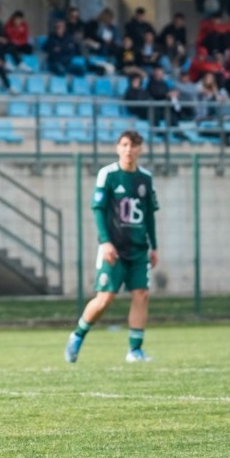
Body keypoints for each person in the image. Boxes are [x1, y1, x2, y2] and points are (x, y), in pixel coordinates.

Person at [65, 129, 158, 364]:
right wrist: (105, 242)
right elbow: (98, 209)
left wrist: (153, 246)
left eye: (134, 145)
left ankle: (135, 350)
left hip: (138, 248)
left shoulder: (145, 178)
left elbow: (149, 215)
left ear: (140, 149)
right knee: (105, 298)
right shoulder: (107, 174)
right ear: (118, 147)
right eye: (125, 144)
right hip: (114, 248)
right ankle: (78, 335)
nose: (129, 149)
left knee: (142, 294)